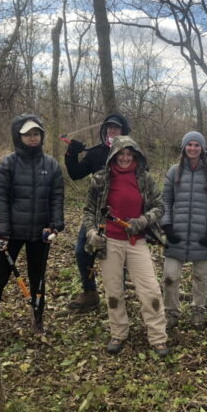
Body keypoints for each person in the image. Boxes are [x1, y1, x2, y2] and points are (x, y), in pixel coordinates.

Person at [83, 136, 169, 356]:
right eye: (121, 154)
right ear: (114, 155)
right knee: (113, 291)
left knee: (150, 289)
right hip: (109, 241)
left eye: (129, 154)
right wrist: (92, 232)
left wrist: (142, 220)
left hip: (136, 240)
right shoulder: (101, 179)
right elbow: (89, 211)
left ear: (135, 156)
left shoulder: (145, 179)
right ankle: (118, 333)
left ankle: (158, 337)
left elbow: (159, 207)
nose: (125, 158)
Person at [0, 114, 65, 334]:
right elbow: (0, 197)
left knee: (38, 279)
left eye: (36, 134)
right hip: (11, 234)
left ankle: (38, 321)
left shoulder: (51, 164)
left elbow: (57, 197)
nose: (33, 138)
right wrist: (2, 232)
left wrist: (55, 224)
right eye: (28, 135)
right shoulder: (7, 164)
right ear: (19, 137)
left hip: (40, 234)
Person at [65, 113, 131, 312]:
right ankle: (90, 292)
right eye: (109, 128)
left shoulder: (130, 152)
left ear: (123, 132)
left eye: (116, 128)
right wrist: (71, 154)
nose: (112, 131)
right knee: (82, 251)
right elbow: (76, 174)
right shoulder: (95, 153)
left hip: (122, 214)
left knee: (120, 256)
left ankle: (118, 296)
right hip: (96, 213)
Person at [161, 131, 207, 330]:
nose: (192, 148)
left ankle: (198, 309)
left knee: (201, 276)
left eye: (196, 145)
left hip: (203, 233)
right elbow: (165, 200)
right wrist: (167, 225)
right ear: (183, 148)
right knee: (170, 276)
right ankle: (171, 312)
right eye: (189, 145)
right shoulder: (174, 171)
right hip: (177, 233)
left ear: (202, 148)